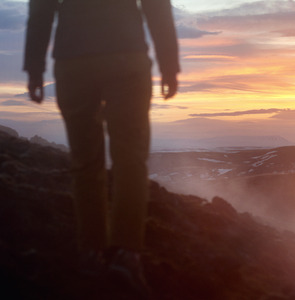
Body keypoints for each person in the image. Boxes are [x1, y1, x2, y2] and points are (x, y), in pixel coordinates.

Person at [23, 0, 179, 295]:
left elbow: (41, 9)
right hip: (126, 56)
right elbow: (156, 5)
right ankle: (127, 253)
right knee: (131, 159)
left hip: (74, 61)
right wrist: (169, 64)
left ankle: (91, 252)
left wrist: (34, 68)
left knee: (85, 161)